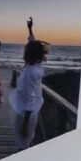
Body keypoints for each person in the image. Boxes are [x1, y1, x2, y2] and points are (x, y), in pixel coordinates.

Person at [10, 21, 50, 149]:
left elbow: (30, 100)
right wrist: (30, 29)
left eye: (26, 49)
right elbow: (32, 42)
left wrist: (25, 124)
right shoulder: (37, 64)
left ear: (29, 53)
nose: (24, 51)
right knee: (28, 139)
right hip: (33, 111)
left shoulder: (30, 72)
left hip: (26, 113)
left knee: (22, 141)